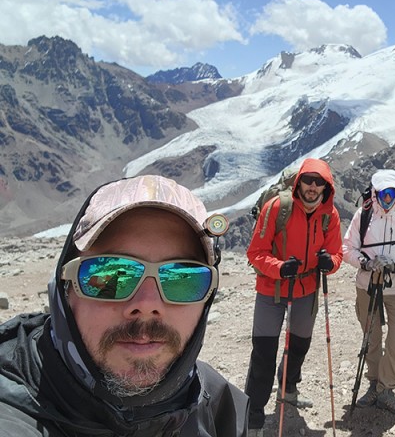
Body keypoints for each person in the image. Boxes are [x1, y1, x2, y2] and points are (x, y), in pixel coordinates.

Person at [0, 175, 249, 436]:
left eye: (182, 279)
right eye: (112, 275)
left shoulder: (216, 401)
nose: (147, 304)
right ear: (65, 289)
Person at [245, 158, 343, 434]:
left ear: (327, 186)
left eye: (319, 182)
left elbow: (336, 253)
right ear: (298, 181)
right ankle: (253, 415)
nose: (313, 187)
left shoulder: (329, 215)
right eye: (308, 180)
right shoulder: (277, 207)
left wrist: (330, 263)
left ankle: (288, 389)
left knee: (299, 346)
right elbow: (255, 253)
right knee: (264, 352)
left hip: (307, 288)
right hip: (271, 288)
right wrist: (279, 268)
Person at [343, 169, 395, 414]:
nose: (387, 199)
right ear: (375, 192)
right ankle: (374, 384)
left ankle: (386, 388)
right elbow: (347, 247)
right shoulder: (363, 215)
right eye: (383, 194)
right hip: (367, 286)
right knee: (371, 335)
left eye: (392, 194)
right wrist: (366, 263)